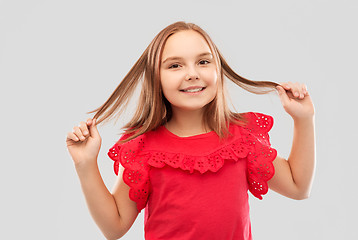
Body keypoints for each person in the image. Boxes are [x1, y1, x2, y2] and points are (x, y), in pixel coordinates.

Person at [66, 21, 315, 240]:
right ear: (156, 77)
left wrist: (304, 119)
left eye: (203, 62)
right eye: (175, 66)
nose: (192, 74)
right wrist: (85, 164)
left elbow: (297, 186)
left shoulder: (242, 138)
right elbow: (114, 227)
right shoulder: (143, 149)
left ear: (218, 69)